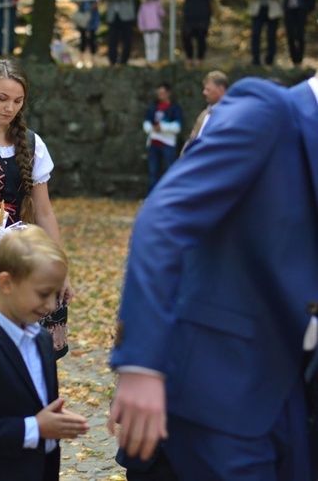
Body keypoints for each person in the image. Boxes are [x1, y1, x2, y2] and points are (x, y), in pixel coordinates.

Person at [108, 72, 318, 480]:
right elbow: (163, 219)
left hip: (292, 392)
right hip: (222, 386)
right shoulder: (269, 111)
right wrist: (141, 365)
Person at [0, 225, 90, 481]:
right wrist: (36, 428)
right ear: (6, 283)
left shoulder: (41, 340)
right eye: (43, 294)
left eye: (54, 294)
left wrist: (54, 422)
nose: (50, 306)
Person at [0, 59, 74, 358]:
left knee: (22, 355)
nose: (9, 108)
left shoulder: (32, 144)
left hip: (19, 256)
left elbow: (44, 212)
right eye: (2, 98)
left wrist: (61, 269)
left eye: (18, 101)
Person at [143, 82, 183, 193]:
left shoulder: (174, 108)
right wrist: (151, 128)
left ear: (168, 93)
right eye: (159, 93)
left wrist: (163, 127)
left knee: (170, 170)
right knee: (153, 172)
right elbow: (147, 122)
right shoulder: (153, 107)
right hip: (154, 143)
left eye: (163, 93)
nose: (161, 95)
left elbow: (177, 126)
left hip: (168, 144)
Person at [182, 70, 228, 153]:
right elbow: (193, 137)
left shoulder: (230, 114)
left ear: (221, 90)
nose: (204, 93)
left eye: (208, 89)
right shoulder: (205, 114)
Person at [246, 0, 283, 66]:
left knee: (271, 36)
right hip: (257, 11)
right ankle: (256, 60)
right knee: (255, 34)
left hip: (273, 11)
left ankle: (270, 60)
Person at [179, 0, 213, 68]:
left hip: (203, 13)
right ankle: (189, 57)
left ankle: (199, 59)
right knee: (186, 35)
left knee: (201, 36)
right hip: (189, 14)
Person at [280, 0, 313, 67]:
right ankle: (294, 60)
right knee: (290, 36)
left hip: (301, 11)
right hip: (289, 11)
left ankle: (299, 60)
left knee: (300, 35)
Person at [103, 0, 137, 66]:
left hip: (126, 15)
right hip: (112, 15)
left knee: (127, 38)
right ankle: (112, 61)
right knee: (112, 38)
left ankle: (124, 60)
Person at [72, 0, 101, 68]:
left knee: (92, 38)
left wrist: (95, 5)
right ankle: (81, 60)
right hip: (82, 17)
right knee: (83, 38)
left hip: (93, 16)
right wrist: (79, 3)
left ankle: (93, 60)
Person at [137, 0, 166, 65]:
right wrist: (141, 26)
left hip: (156, 28)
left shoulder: (157, 3)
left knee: (155, 45)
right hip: (146, 28)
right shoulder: (143, 5)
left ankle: (155, 60)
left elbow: (162, 15)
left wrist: (160, 8)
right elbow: (140, 16)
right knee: (148, 45)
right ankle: (149, 60)